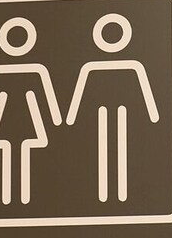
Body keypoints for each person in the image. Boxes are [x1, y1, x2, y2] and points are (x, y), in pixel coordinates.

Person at [66, 13, 159, 203]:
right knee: (106, 147)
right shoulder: (93, 67)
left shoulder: (131, 66)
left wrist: (152, 112)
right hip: (102, 113)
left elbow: (144, 90)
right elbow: (80, 92)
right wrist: (71, 114)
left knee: (117, 146)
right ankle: (107, 192)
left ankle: (117, 192)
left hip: (121, 113)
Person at [0, 16, 62, 205]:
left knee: (18, 150)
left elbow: (45, 97)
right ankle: (13, 198)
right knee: (13, 150)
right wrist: (55, 119)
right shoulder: (1, 72)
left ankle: (18, 197)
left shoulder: (35, 71)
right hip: (12, 120)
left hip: (16, 121)